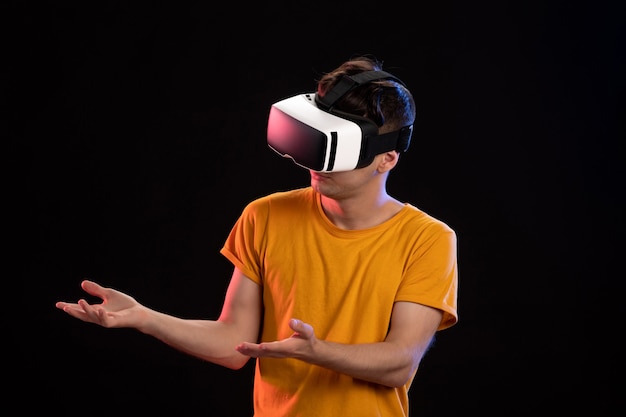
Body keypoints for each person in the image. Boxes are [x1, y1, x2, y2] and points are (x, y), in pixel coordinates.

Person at [56, 55, 459, 417]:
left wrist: (318, 353)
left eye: (336, 150)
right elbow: (234, 343)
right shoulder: (265, 215)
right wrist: (145, 318)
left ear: (387, 157)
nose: (315, 164)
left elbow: (399, 363)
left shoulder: (428, 239)